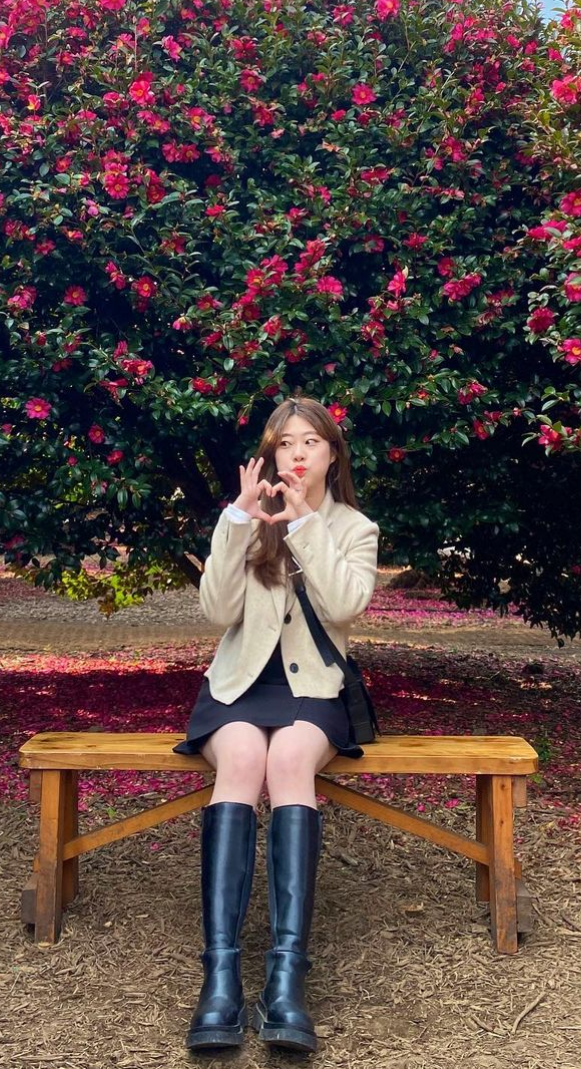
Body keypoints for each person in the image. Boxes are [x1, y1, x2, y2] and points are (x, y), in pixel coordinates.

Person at [172, 396, 380, 1054]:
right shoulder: (246, 519)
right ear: (269, 454)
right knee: (239, 762)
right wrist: (239, 521)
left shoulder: (354, 528)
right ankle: (221, 978)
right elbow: (216, 611)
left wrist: (305, 525)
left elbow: (346, 605)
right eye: (285, 442)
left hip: (312, 689)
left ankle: (286, 978)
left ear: (332, 456)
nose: (296, 453)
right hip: (238, 686)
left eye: (310, 442)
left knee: (289, 762)